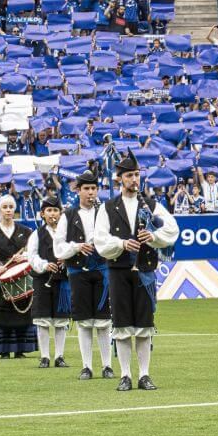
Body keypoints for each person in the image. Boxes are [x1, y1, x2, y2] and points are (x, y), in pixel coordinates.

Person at [94, 151, 179, 391]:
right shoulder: (108, 207)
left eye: (137, 175)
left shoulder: (152, 205)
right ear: (119, 178)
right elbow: (100, 240)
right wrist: (121, 244)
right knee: (121, 326)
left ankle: (144, 374)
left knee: (144, 325)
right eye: (129, 175)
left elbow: (172, 231)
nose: (134, 179)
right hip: (119, 271)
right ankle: (125, 374)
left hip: (144, 271)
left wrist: (152, 236)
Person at [55, 170, 114, 380]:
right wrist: (76, 247)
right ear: (78, 190)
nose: (91, 193)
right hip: (77, 271)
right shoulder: (68, 215)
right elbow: (58, 248)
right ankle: (86, 366)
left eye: (93, 188)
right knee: (83, 321)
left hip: (102, 270)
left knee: (103, 321)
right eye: (86, 189)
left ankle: (107, 365)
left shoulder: (105, 212)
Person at [0, 196, 37, 358]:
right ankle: (3, 349)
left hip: (22, 279)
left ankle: (20, 349)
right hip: (1, 280)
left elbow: (32, 254)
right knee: (2, 315)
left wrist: (24, 257)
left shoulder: (25, 232)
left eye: (11, 207)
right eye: (5, 207)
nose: (8, 210)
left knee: (22, 314)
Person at [27, 196, 70, 368]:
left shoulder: (66, 234)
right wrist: (45, 265)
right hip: (42, 280)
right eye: (49, 211)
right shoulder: (36, 234)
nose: (53, 214)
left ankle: (59, 356)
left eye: (56, 210)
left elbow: (73, 251)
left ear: (61, 213)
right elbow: (32, 256)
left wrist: (66, 260)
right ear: (42, 214)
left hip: (62, 281)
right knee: (42, 319)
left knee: (61, 321)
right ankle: (44, 356)